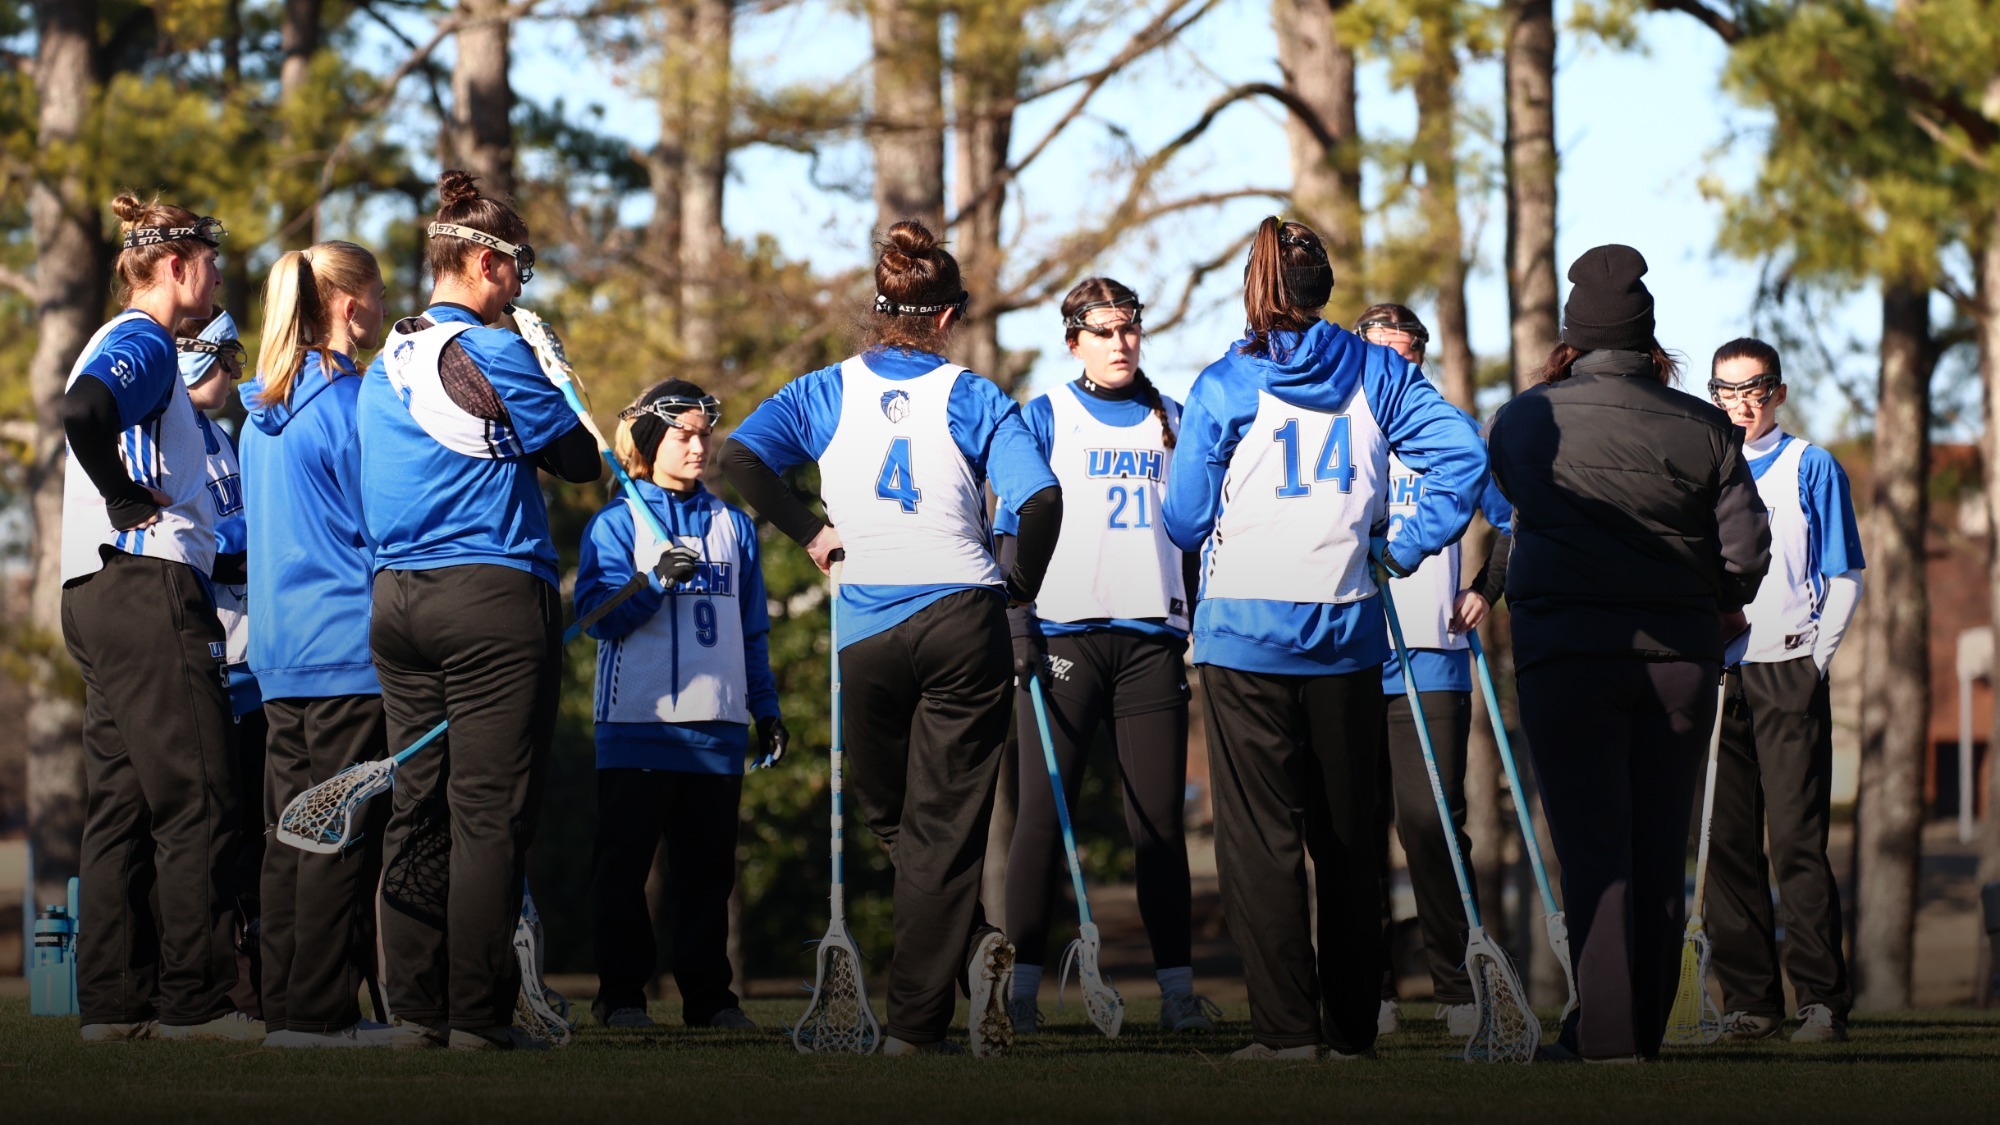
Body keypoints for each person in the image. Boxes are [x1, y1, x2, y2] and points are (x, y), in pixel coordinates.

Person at [720, 220, 1062, 1057]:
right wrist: (1016, 584)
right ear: (945, 319)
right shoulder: (975, 395)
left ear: (880, 314)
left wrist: (809, 531)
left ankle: (918, 1021)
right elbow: (1044, 502)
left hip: (867, 624)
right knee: (934, 826)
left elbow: (738, 460)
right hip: (961, 617)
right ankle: (973, 949)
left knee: (894, 814)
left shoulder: (824, 389)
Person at [1161, 218, 1487, 1061]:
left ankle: (1284, 1032)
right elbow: (1461, 456)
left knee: (1261, 842)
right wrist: (1404, 546)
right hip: (1347, 629)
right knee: (1348, 841)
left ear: (1259, 288)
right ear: (1326, 289)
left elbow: (1187, 518)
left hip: (1244, 639)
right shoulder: (1379, 369)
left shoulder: (1226, 383)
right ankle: (1351, 1032)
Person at [1486, 244, 1770, 1062]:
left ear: (1574, 335)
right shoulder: (1706, 425)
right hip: (1677, 654)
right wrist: (1717, 608)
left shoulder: (1523, 418)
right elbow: (1747, 549)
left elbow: (1506, 499)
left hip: (1567, 653)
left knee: (1593, 849)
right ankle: (1636, 1028)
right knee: (1656, 848)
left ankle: (1607, 1038)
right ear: (1649, 339)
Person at [359, 170, 603, 1050]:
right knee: (489, 808)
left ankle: (418, 1010)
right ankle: (477, 1014)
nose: (523, 284)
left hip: (395, 601)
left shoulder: (381, 364)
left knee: (418, 801)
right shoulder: (496, 353)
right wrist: (558, 371)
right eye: (519, 265)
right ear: (480, 261)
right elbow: (582, 459)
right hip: (489, 593)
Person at [58, 192, 257, 1042]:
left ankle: (113, 1002)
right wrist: (119, 491)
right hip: (145, 583)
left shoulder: (123, 341)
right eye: (210, 260)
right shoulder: (143, 338)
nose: (218, 275)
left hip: (92, 591)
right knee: (201, 794)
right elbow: (84, 414)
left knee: (122, 807)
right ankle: (197, 1002)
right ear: (175, 266)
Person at [998, 278, 1213, 1036]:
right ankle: (1017, 990)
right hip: (1064, 639)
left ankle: (1179, 993)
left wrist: (1194, 616)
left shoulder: (1177, 420)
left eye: (1129, 328)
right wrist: (1018, 623)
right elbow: (1010, 536)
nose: (1120, 342)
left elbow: (1196, 537)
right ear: (1074, 341)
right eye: (1103, 331)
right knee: (1040, 820)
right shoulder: (1043, 416)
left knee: (1157, 825)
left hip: (1151, 643)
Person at [579, 379, 786, 1033]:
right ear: (650, 441)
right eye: (684, 435)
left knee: (707, 876)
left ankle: (710, 997)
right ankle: (621, 995)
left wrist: (765, 705)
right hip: (638, 722)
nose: (700, 446)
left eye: (705, 433)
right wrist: (651, 583)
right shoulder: (615, 523)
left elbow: (751, 629)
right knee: (625, 873)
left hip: (716, 727)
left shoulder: (733, 526)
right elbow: (597, 617)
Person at [240, 241, 394, 1048]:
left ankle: (286, 1006)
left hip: (278, 654)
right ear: (346, 301)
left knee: (290, 833)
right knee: (337, 833)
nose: (380, 305)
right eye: (373, 291)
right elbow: (384, 524)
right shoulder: (352, 403)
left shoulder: (261, 407)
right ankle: (320, 1014)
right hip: (344, 645)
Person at [1353, 304, 1512, 1038]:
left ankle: (1456, 984)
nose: (1397, 362)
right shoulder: (1336, 426)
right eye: (1383, 350)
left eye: (1409, 350)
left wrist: (1484, 587)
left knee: (1431, 824)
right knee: (1352, 829)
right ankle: (1366, 987)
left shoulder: (1449, 428)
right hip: (1348, 650)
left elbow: (1513, 520)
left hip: (1432, 653)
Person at [1702, 338, 1863, 1045]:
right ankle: (1751, 1001)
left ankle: (1821, 1001)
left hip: (1785, 669)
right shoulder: (1702, 466)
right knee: (1727, 844)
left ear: (1779, 392)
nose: (1742, 402)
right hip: (1716, 673)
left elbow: (1846, 573)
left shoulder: (1810, 465)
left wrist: (1813, 661)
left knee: (1797, 841)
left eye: (1755, 388)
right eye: (1727, 389)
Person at [172, 309, 265, 1022]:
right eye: (222, 360)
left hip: (251, 662)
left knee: (257, 834)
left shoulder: (227, 436)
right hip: (209, 662)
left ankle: (258, 981)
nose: (234, 373)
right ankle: (218, 982)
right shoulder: (175, 434)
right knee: (218, 831)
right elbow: (206, 544)